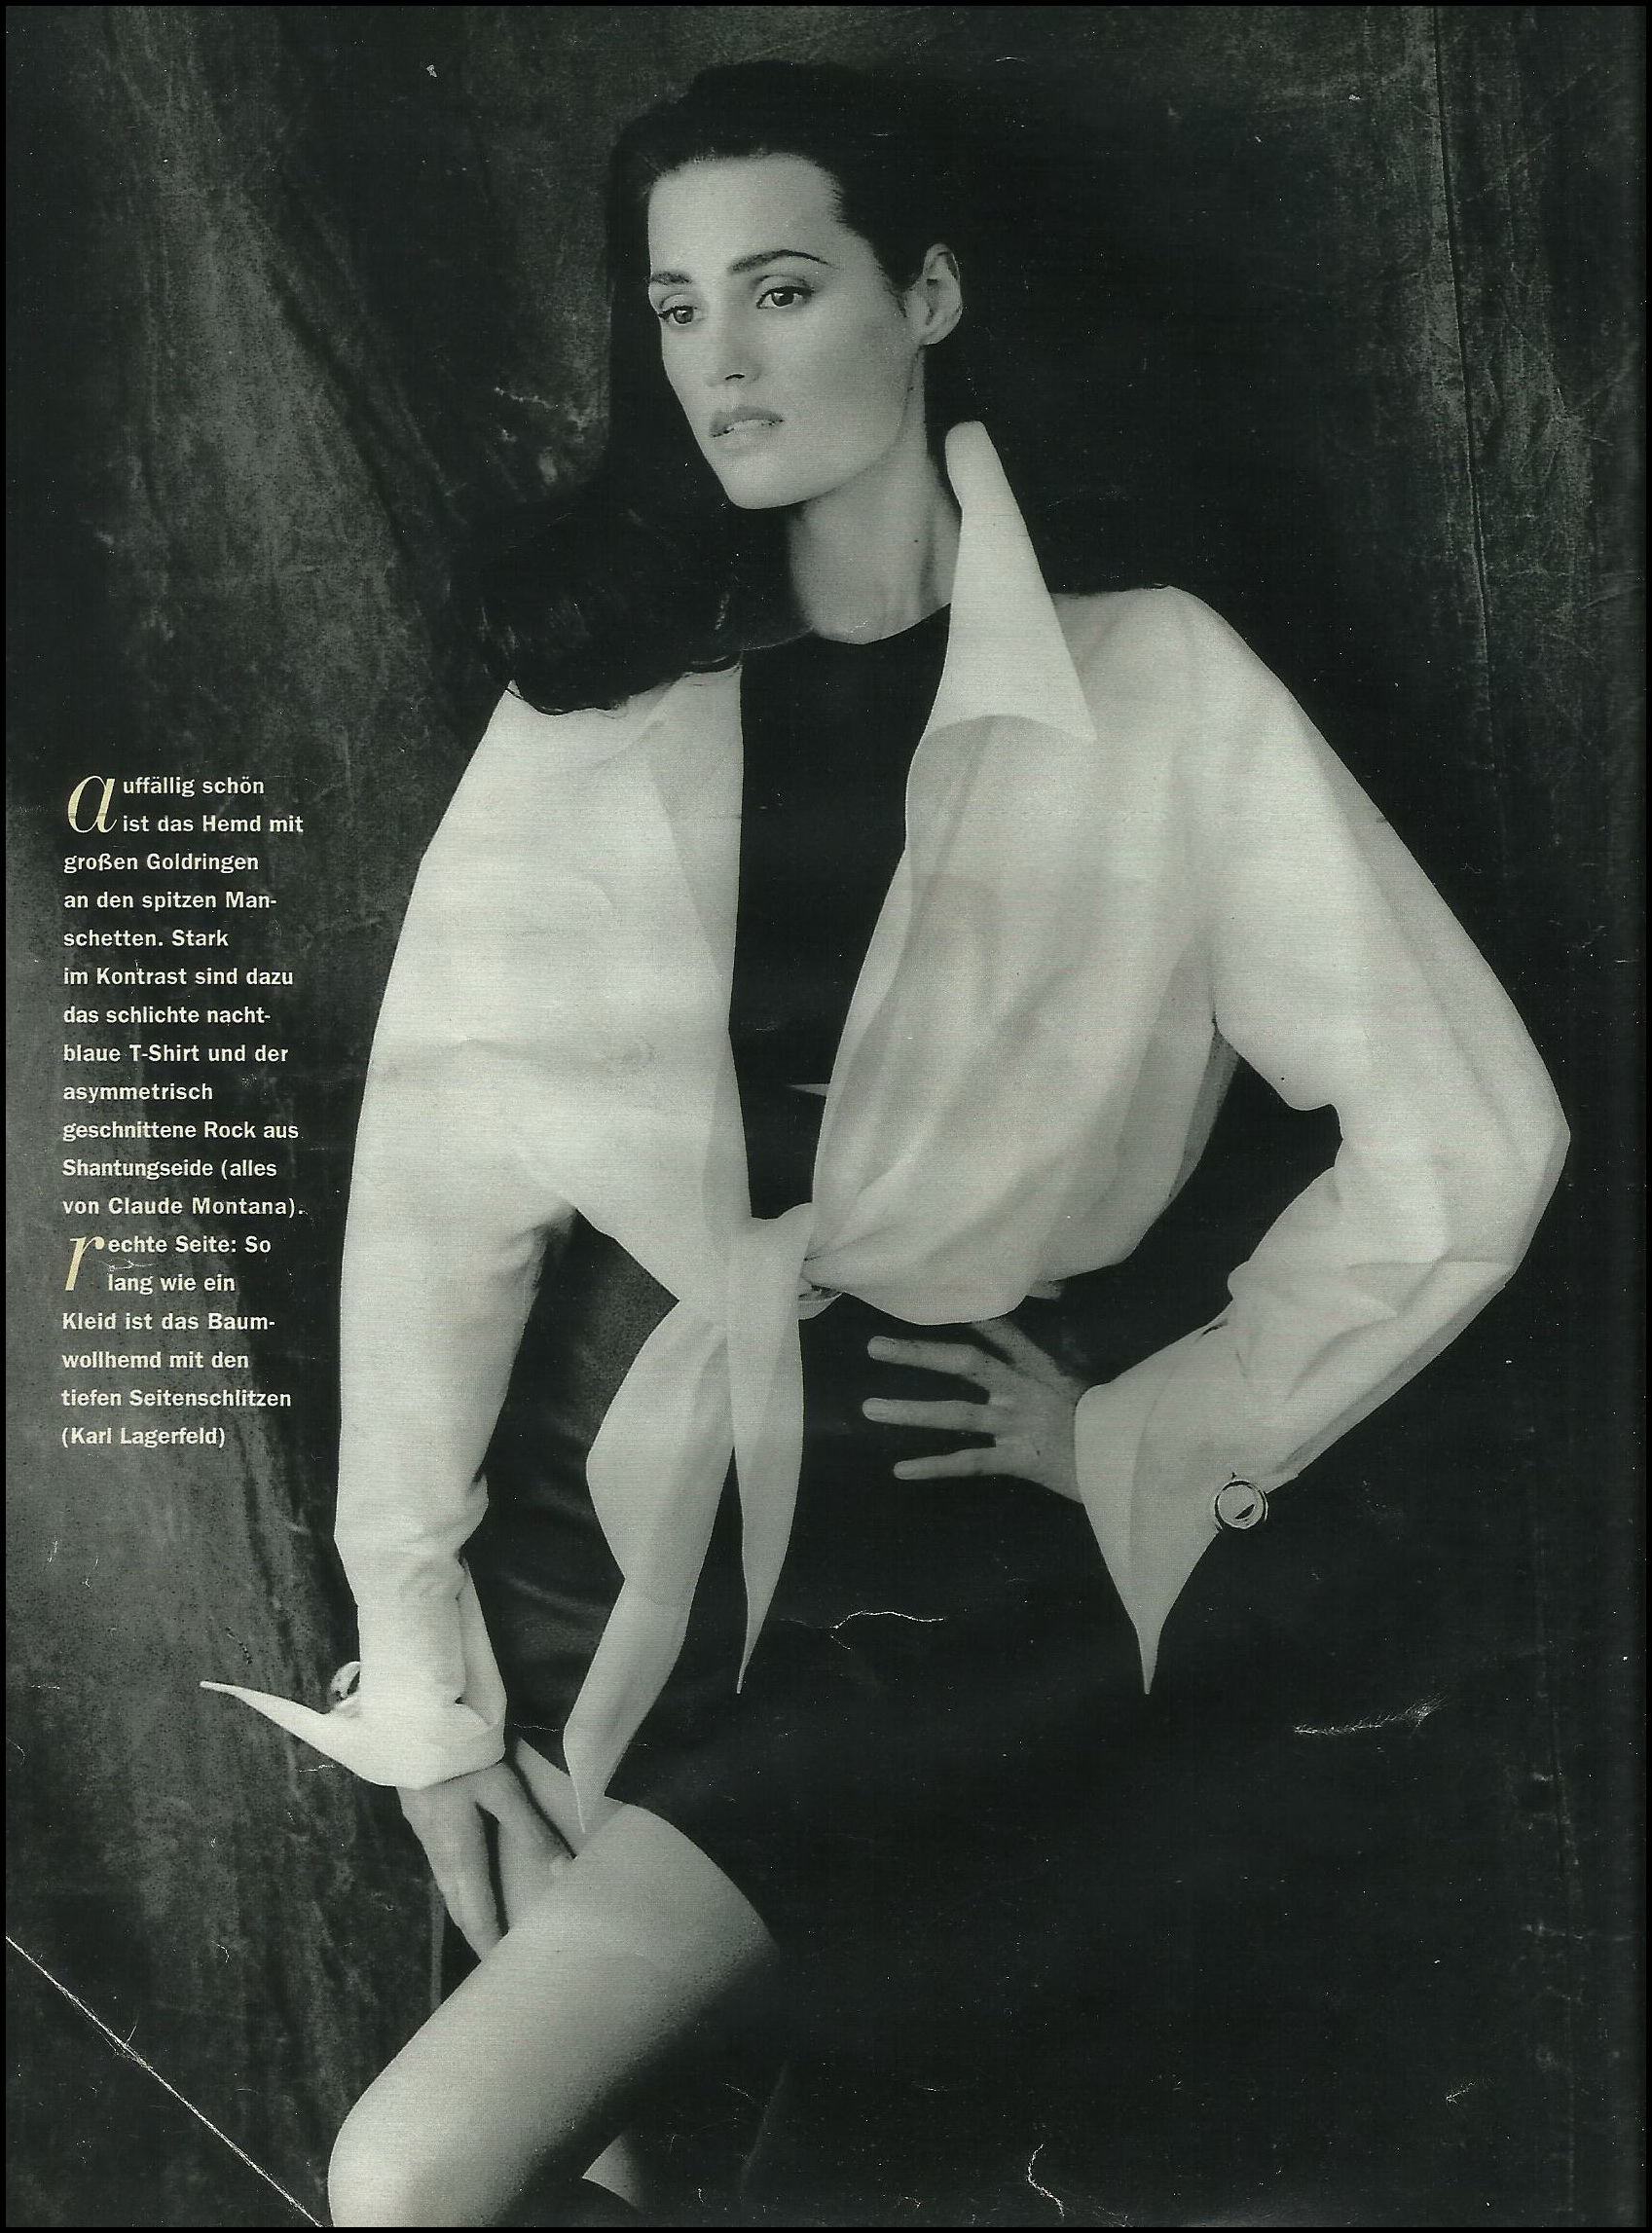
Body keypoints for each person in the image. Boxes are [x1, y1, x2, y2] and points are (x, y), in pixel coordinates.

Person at [203, 58, 1568, 2227]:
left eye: (780, 289)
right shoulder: (596, 724)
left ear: (924, 296)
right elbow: (436, 1206)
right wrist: (430, 1678)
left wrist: (1157, 1423)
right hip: (654, 1571)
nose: (719, 364)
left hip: (960, 1589)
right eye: (675, 312)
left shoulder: (1155, 687)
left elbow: (1467, 1131)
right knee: (631, 2172)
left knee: (413, 2166)